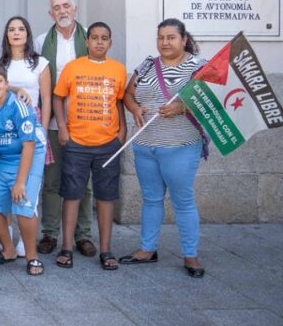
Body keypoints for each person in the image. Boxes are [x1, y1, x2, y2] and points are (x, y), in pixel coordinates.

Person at [120, 19, 207, 278]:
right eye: (161, 37)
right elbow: (127, 94)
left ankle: (190, 255)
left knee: (183, 201)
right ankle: (147, 249)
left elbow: (210, 102)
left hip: (180, 145)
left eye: (171, 37)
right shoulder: (147, 64)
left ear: (183, 39)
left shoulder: (198, 67)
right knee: (151, 199)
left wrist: (182, 107)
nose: (165, 42)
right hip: (145, 146)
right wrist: (135, 108)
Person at [53, 22, 126, 271]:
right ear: (87, 42)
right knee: (72, 195)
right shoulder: (73, 67)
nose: (99, 42)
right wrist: (62, 127)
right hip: (77, 143)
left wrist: (122, 130)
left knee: (106, 196)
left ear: (110, 43)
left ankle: (106, 249)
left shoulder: (118, 69)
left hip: (108, 144)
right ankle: (66, 247)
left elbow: (119, 101)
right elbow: (58, 97)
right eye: (94, 38)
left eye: (104, 38)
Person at [34, 0, 93, 257]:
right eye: (56, 7)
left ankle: (83, 234)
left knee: (83, 182)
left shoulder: (90, 38)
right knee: (52, 180)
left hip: (86, 123)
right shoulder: (40, 42)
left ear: (75, 9)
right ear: (51, 14)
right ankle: (50, 233)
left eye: (66, 5)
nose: (62, 10)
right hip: (53, 123)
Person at [0, 62, 46, 276]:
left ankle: (32, 256)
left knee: (23, 205)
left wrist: (20, 182)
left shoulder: (18, 105)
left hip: (29, 155)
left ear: (7, 83)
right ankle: (8, 250)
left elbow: (29, 145)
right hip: (3, 158)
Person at [0, 16, 51, 258]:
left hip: (32, 124)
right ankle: (7, 234)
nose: (16, 33)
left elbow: (46, 99)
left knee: (30, 184)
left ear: (28, 34)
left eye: (21, 29)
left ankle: (25, 237)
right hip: (4, 127)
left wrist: (43, 129)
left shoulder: (40, 63)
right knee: (6, 181)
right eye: (11, 29)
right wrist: (13, 88)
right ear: (6, 35)